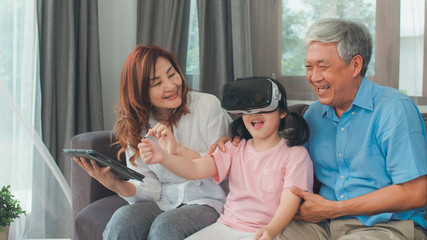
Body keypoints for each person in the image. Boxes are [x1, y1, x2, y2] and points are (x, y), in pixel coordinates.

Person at [214, 18, 427, 239]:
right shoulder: (314, 115)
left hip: (386, 226)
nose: (314, 77)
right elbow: (274, 152)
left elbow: (416, 192)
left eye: (323, 67)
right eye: (308, 67)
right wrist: (235, 139)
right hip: (321, 225)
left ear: (355, 65)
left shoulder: (394, 109)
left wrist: (335, 208)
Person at [74, 45, 233, 240]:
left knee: (166, 227)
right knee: (123, 219)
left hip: (207, 200)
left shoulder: (207, 106)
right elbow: (149, 185)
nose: (171, 86)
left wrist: (179, 151)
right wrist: (115, 184)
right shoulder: (137, 126)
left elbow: (222, 166)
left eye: (172, 74)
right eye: (157, 83)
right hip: (164, 199)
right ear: (139, 92)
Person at [139, 77, 314, 240]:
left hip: (264, 232)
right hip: (225, 227)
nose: (255, 114)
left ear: (282, 111)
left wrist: (271, 230)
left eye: (263, 107)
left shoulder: (295, 155)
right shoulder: (233, 149)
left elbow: (290, 202)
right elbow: (194, 168)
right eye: (248, 108)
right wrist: (163, 157)